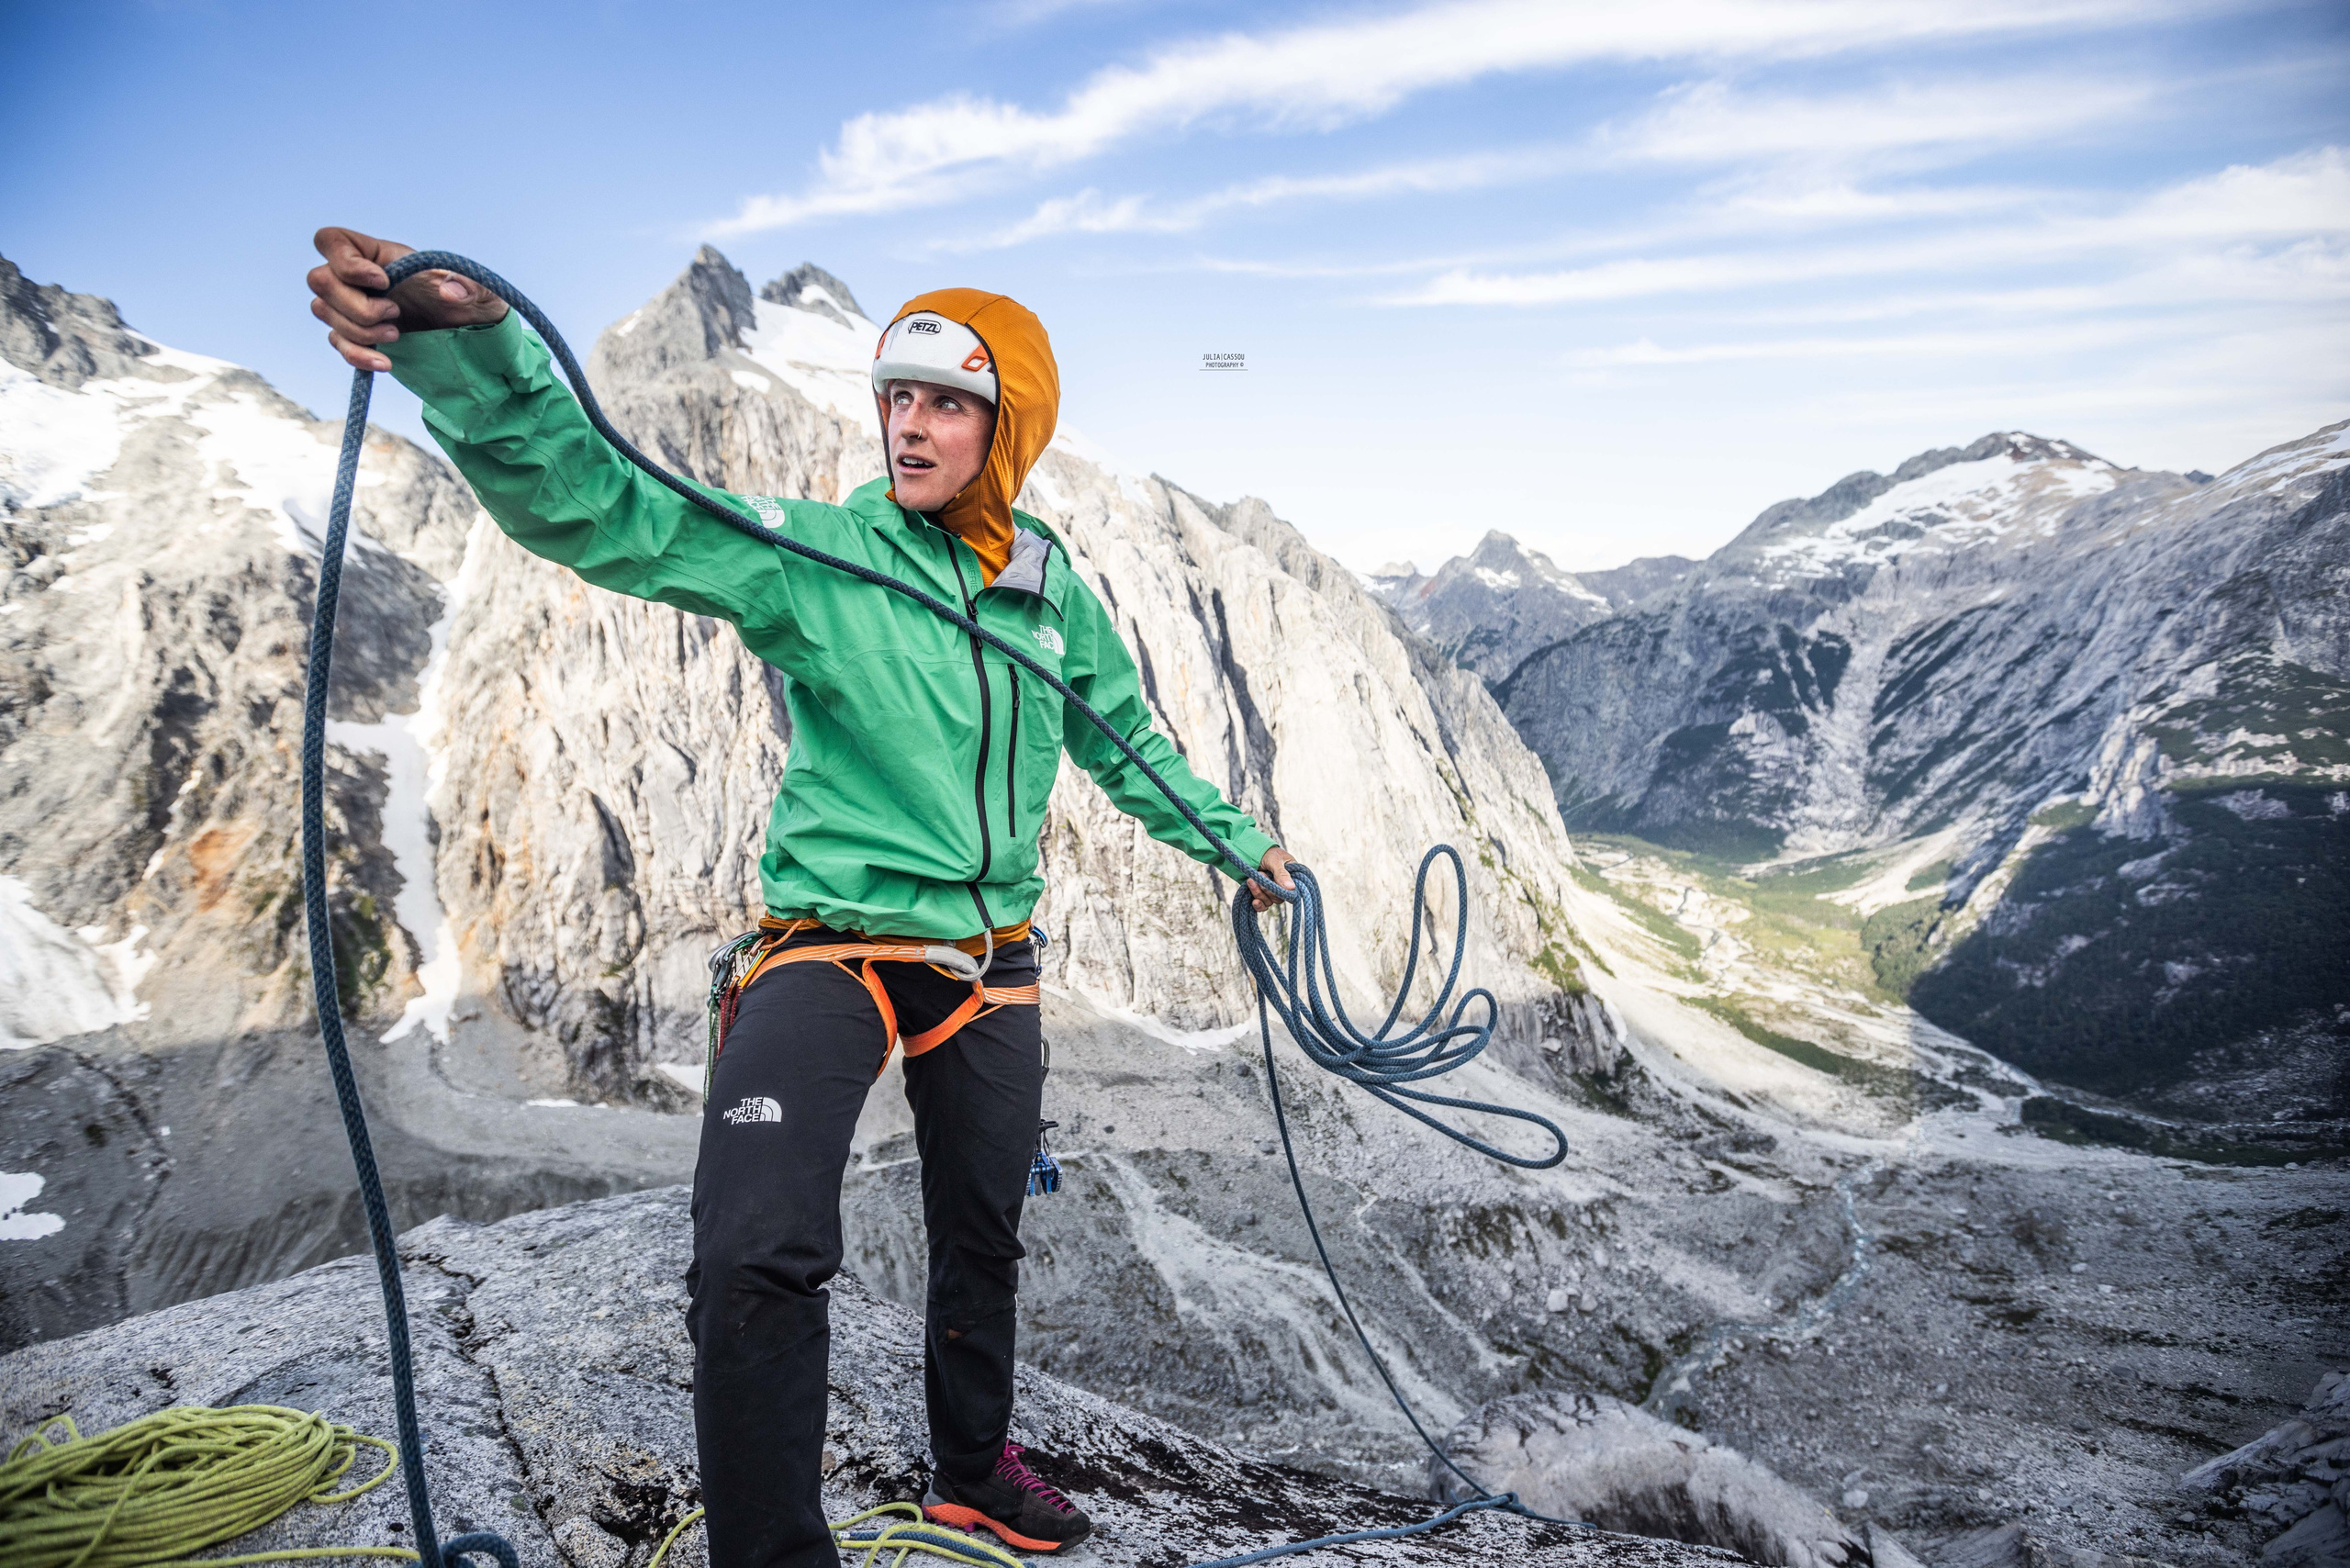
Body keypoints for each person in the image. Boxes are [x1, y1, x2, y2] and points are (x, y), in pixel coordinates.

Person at [307, 230, 1297, 1567]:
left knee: (984, 1238)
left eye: (947, 401)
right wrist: (470, 347)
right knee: (755, 1256)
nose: (909, 425)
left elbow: (1119, 737)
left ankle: (971, 1473)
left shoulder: (1049, 587)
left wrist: (1238, 846)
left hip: (989, 959)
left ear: (1009, 427)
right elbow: (611, 506)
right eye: (896, 397)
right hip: (824, 947)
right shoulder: (822, 555)